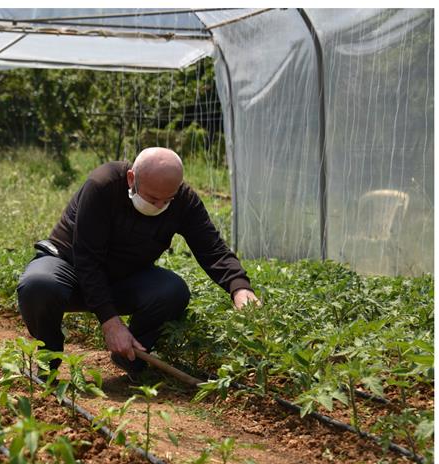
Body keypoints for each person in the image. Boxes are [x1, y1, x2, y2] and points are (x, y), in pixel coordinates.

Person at [16, 147, 259, 380]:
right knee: (39, 284)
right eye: (152, 198)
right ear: (132, 179)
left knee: (172, 291)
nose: (159, 206)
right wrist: (110, 322)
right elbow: (87, 260)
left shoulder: (183, 201)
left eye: (167, 200)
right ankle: (47, 361)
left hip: (123, 281)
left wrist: (239, 287)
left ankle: (132, 358)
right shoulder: (103, 186)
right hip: (71, 270)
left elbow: (212, 248)